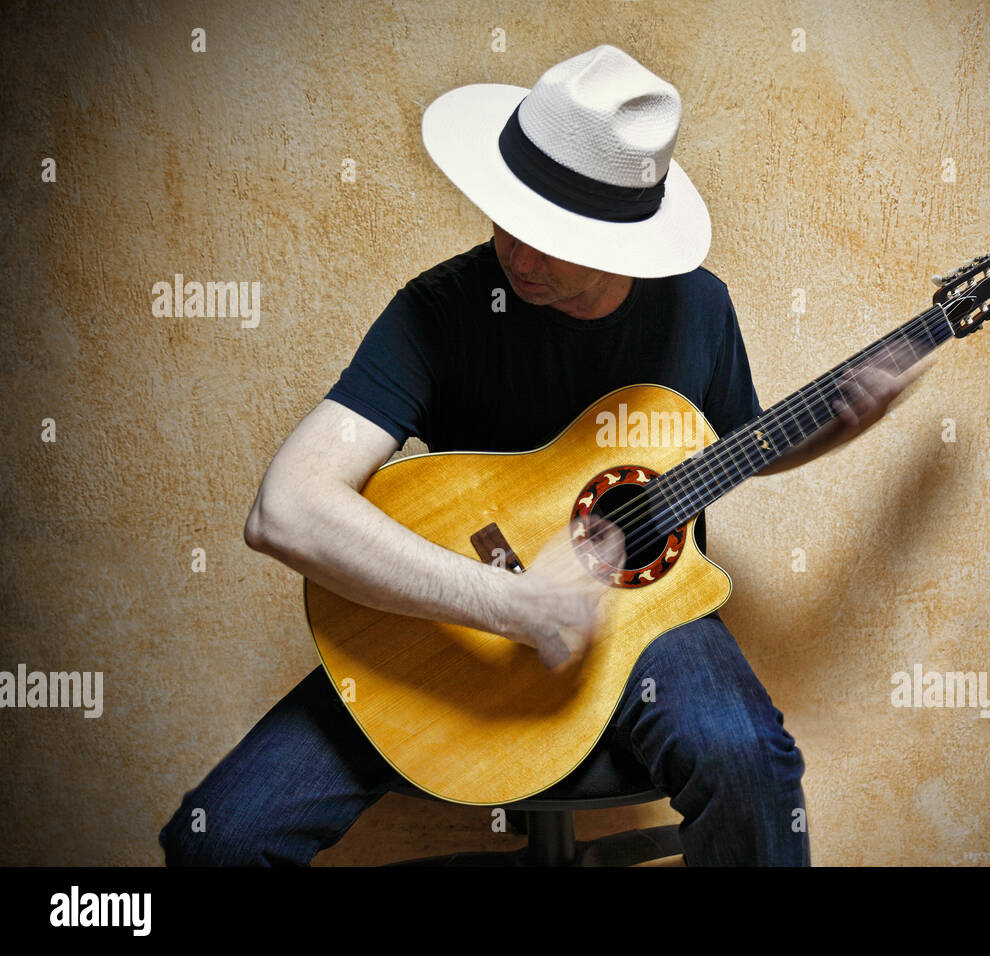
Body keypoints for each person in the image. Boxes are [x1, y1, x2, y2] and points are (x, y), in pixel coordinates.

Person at [159, 44, 924, 867]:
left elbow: (742, 444)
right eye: (507, 219)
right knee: (221, 838)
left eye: (552, 240)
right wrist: (510, 605)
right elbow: (287, 508)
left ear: (628, 239)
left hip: (648, 619)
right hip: (453, 626)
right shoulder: (439, 310)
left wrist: (840, 422)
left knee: (751, 766)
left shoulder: (698, 308)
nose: (516, 257)